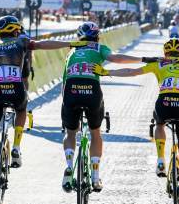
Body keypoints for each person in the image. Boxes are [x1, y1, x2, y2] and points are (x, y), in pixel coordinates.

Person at [0, 16, 86, 203]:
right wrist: (71, 43)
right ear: (15, 31)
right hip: (16, 90)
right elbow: (43, 44)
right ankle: (17, 148)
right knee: (21, 110)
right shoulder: (21, 42)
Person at [93, 38, 179, 204]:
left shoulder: (159, 64)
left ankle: (160, 160)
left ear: (165, 53)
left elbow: (131, 72)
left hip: (164, 103)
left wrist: (106, 72)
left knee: (159, 124)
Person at [60, 21, 148, 193]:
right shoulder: (99, 47)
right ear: (97, 36)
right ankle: (95, 175)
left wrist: (67, 106)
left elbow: (64, 83)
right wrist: (142, 59)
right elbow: (116, 58)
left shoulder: (72, 51)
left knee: (71, 132)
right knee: (95, 132)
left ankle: (69, 165)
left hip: (71, 90)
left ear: (79, 37)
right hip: (91, 91)